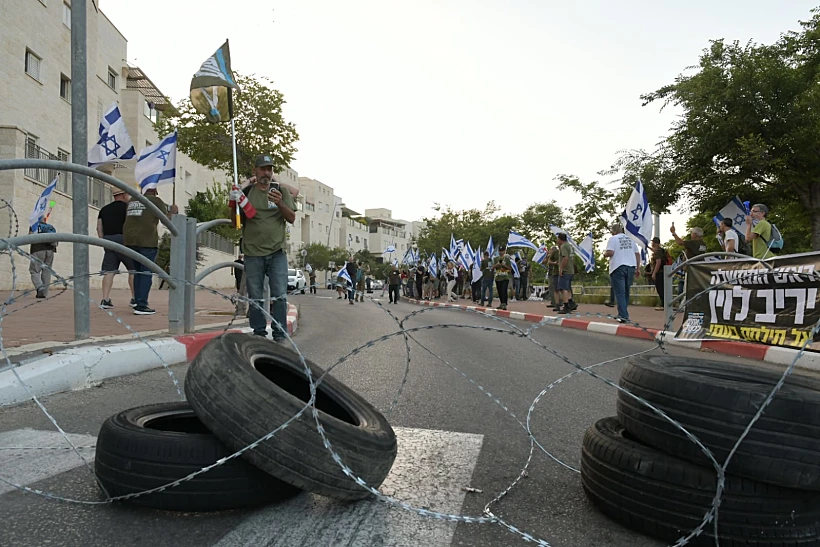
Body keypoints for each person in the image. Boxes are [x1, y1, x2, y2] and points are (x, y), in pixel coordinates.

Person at [228, 154, 296, 337]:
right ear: (255, 171)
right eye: (263, 169)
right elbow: (236, 223)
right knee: (255, 297)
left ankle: (280, 333)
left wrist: (279, 202)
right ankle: (259, 333)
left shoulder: (281, 191)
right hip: (253, 253)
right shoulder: (248, 193)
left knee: (280, 296)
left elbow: (291, 218)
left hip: (277, 252)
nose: (266, 172)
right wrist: (233, 202)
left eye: (270, 169)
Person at [124, 187, 178, 315]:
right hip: (146, 241)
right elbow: (167, 221)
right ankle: (141, 305)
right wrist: (174, 211)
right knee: (146, 272)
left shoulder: (133, 199)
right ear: (155, 191)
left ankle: (137, 301)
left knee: (137, 271)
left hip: (129, 240)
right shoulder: (156, 201)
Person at [96, 190, 136, 309]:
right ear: (124, 195)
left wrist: (103, 240)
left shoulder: (104, 209)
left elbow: (99, 228)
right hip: (125, 240)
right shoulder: (129, 208)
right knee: (133, 269)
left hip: (108, 240)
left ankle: (105, 299)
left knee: (109, 271)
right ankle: (134, 298)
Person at [604, 223, 641, 323]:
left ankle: (624, 315)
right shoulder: (630, 239)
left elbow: (610, 252)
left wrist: (605, 254)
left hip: (618, 266)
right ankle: (622, 313)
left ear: (614, 231)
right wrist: (638, 268)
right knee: (626, 291)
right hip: (631, 266)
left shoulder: (613, 239)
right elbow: (637, 254)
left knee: (619, 292)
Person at [29, 220, 58, 299]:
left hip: (38, 250)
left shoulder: (34, 226)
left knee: (35, 270)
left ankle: (39, 287)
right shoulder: (50, 227)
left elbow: (30, 237)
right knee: (47, 271)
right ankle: (44, 293)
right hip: (50, 251)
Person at [556, 233, 577, 314]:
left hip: (566, 270)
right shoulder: (570, 246)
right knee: (568, 288)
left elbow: (565, 258)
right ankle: (571, 302)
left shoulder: (563, 246)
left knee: (563, 288)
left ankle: (566, 306)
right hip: (571, 269)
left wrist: (561, 269)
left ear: (560, 239)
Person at [648, 237, 667, 311]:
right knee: (662, 288)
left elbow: (658, 262)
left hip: (659, 272)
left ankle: (663, 304)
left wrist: (654, 273)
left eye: (652, 242)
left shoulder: (658, 252)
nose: (652, 243)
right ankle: (664, 303)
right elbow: (654, 251)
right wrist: (647, 246)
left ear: (655, 243)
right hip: (663, 272)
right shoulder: (661, 250)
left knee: (660, 288)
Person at [493, 245, 512, 310]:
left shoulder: (507, 259)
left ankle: (504, 303)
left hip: (505, 277)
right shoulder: (495, 259)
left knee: (504, 290)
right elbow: (491, 268)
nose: (501, 252)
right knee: (500, 291)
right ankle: (501, 303)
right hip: (498, 277)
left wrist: (505, 265)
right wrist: (497, 265)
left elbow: (510, 268)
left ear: (504, 251)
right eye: (500, 251)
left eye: (502, 251)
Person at [547, 245, 562, 310]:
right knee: (552, 288)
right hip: (552, 273)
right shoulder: (551, 256)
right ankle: (554, 302)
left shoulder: (558, 253)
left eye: (551, 250)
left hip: (558, 272)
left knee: (558, 288)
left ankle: (559, 302)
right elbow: (546, 262)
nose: (549, 251)